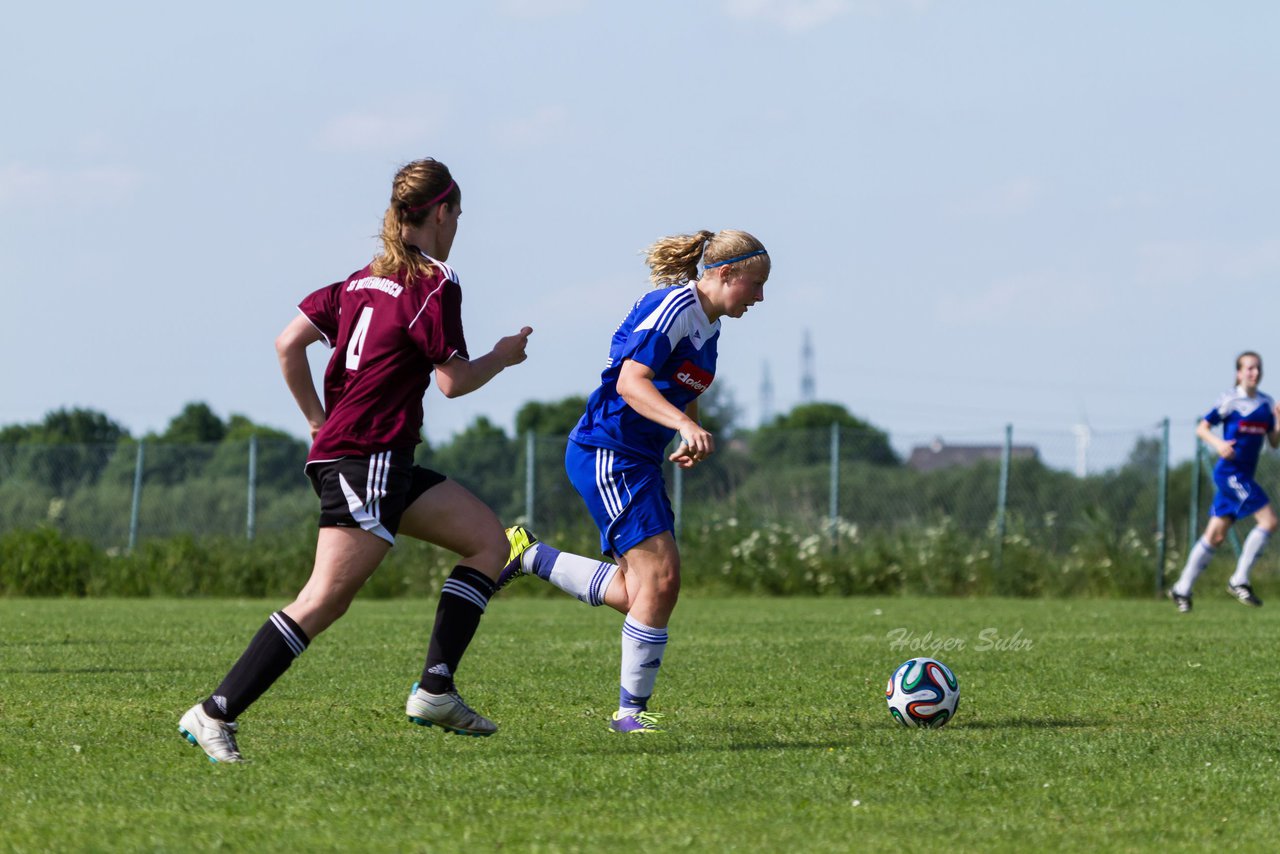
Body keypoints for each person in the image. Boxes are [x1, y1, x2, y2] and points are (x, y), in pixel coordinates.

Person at [178, 158, 533, 762]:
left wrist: (317, 421)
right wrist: (502, 356)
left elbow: (287, 342)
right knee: (324, 599)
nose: (457, 228)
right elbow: (452, 381)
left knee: (488, 542)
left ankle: (436, 690)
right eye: (458, 216)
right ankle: (215, 712)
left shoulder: (358, 282)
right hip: (367, 456)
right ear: (441, 212)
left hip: (366, 452)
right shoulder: (434, 282)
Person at [498, 229, 769, 732]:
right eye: (754, 284)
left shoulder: (707, 325)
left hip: (636, 457)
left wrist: (683, 429)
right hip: (609, 451)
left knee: (639, 591)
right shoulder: (674, 306)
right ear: (726, 273)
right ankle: (629, 717)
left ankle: (529, 555)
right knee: (662, 580)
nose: (760, 297)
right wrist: (684, 425)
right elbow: (630, 380)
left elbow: (684, 384)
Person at [1169, 351, 1280, 613]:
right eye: (1248, 368)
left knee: (1215, 536)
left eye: (1257, 368)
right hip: (1230, 473)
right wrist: (1219, 444)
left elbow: (1274, 443)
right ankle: (1239, 578)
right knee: (1269, 521)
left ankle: (1182, 588)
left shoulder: (1265, 404)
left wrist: (1278, 420)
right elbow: (1202, 428)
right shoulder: (1230, 401)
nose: (1254, 373)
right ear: (1239, 372)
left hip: (1244, 475)